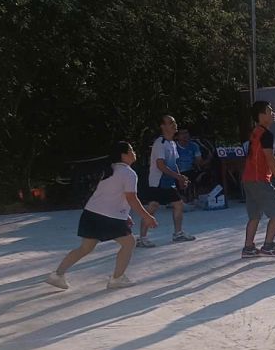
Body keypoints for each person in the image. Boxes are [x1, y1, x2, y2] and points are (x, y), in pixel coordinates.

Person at [43, 142, 159, 290]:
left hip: (90, 213)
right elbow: (131, 198)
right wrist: (147, 217)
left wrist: (125, 215)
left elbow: (112, 196)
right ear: (123, 155)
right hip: (108, 217)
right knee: (129, 243)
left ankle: (57, 275)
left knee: (85, 248)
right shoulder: (129, 173)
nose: (134, 152)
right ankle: (117, 279)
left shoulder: (109, 169)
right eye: (131, 150)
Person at [242, 101, 275, 258]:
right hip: (259, 179)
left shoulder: (255, 132)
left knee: (254, 216)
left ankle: (248, 248)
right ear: (261, 115)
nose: (273, 113)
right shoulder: (266, 135)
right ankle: (268, 246)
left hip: (248, 178)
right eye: (269, 111)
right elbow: (271, 159)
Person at [137, 115, 194, 248]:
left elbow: (174, 163)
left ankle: (178, 233)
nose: (174, 125)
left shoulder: (172, 143)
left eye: (174, 122)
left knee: (178, 204)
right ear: (162, 126)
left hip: (169, 182)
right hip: (158, 182)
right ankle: (142, 238)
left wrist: (180, 178)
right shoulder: (160, 143)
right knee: (153, 207)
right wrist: (178, 177)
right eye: (170, 123)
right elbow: (161, 166)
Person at [173, 128, 210, 203]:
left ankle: (197, 197)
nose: (185, 135)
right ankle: (179, 197)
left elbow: (199, 162)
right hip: (176, 172)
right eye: (182, 133)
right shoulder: (173, 147)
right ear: (177, 136)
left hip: (191, 170)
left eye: (186, 133)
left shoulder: (194, 146)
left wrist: (209, 159)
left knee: (204, 176)